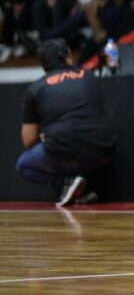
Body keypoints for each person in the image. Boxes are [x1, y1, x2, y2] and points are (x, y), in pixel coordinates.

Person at [16, 39, 114, 206]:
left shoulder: (36, 89)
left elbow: (28, 139)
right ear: (67, 56)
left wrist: (45, 136)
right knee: (78, 147)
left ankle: (66, 183)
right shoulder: (89, 76)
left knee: (24, 165)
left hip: (64, 152)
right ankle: (82, 191)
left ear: (43, 64)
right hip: (103, 152)